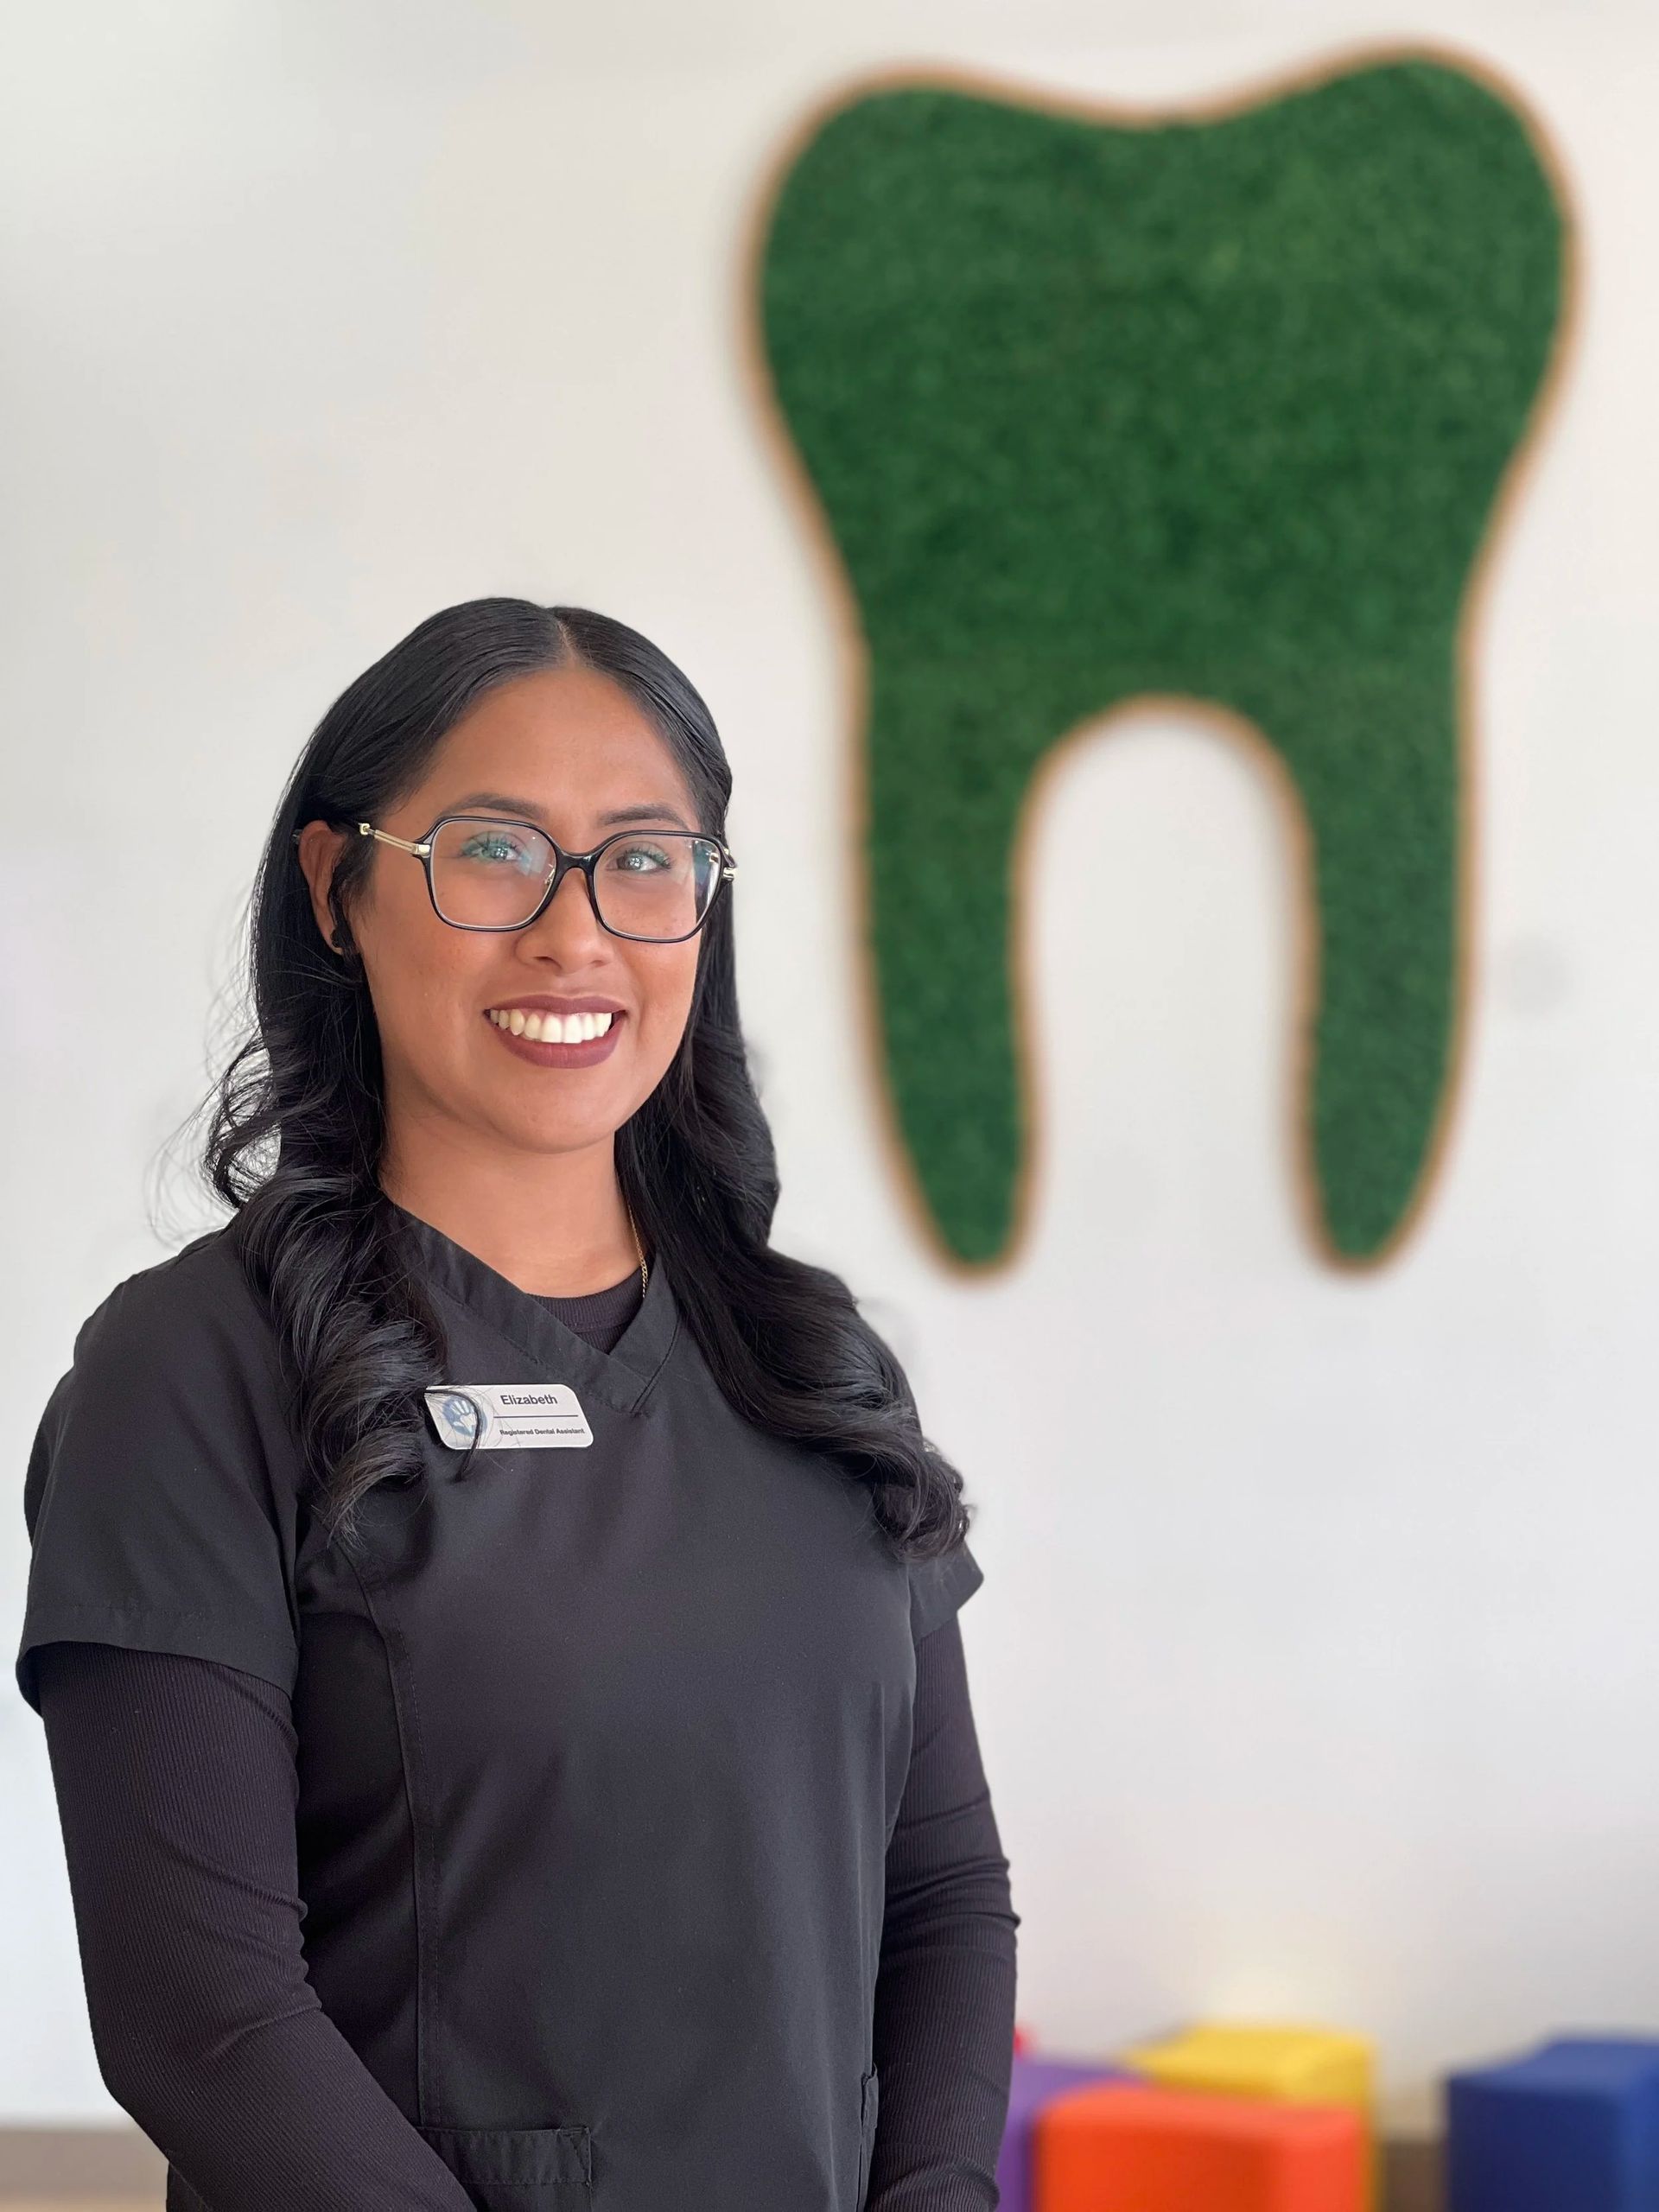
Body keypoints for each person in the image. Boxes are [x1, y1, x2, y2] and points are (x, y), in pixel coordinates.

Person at [16, 597, 1020, 2211]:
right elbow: (199, 2019)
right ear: (336, 887)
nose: (576, 935)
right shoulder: (195, 1372)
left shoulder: (812, 1364)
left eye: (646, 861)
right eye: (493, 852)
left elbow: (946, 1893)